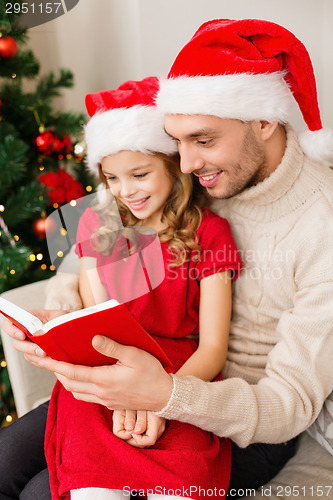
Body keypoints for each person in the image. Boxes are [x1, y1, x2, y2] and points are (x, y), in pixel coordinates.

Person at [1, 17, 333, 499]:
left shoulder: (321, 226)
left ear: (264, 121)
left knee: (43, 489)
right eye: (176, 143)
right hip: (149, 366)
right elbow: (98, 228)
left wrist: (163, 398)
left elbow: (287, 404)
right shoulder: (202, 177)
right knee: (7, 458)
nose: (186, 164)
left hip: (241, 414)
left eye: (202, 140)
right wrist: (68, 309)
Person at [3, 76, 242, 500]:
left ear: (172, 164)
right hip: (105, 377)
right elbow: (97, 326)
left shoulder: (211, 233)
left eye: (139, 173)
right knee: (92, 485)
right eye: (112, 178)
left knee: (181, 482)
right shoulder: (97, 226)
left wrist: (160, 400)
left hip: (179, 375)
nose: (125, 190)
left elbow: (211, 350)